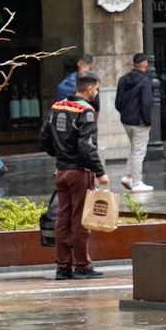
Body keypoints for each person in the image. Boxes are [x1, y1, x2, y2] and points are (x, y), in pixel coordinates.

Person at [40, 72, 109, 281]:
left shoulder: (57, 106)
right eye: (96, 89)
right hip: (80, 173)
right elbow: (86, 146)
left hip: (61, 172)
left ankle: (63, 267)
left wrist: (60, 157)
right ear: (89, 89)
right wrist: (100, 172)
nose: (96, 93)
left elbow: (44, 138)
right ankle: (82, 266)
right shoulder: (86, 111)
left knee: (63, 219)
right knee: (80, 220)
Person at [115, 53, 154, 194]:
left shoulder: (122, 80)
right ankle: (137, 183)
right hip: (139, 122)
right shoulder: (145, 81)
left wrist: (125, 114)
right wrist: (147, 120)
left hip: (127, 121)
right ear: (145, 65)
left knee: (135, 149)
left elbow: (118, 103)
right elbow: (147, 103)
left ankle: (128, 176)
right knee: (139, 152)